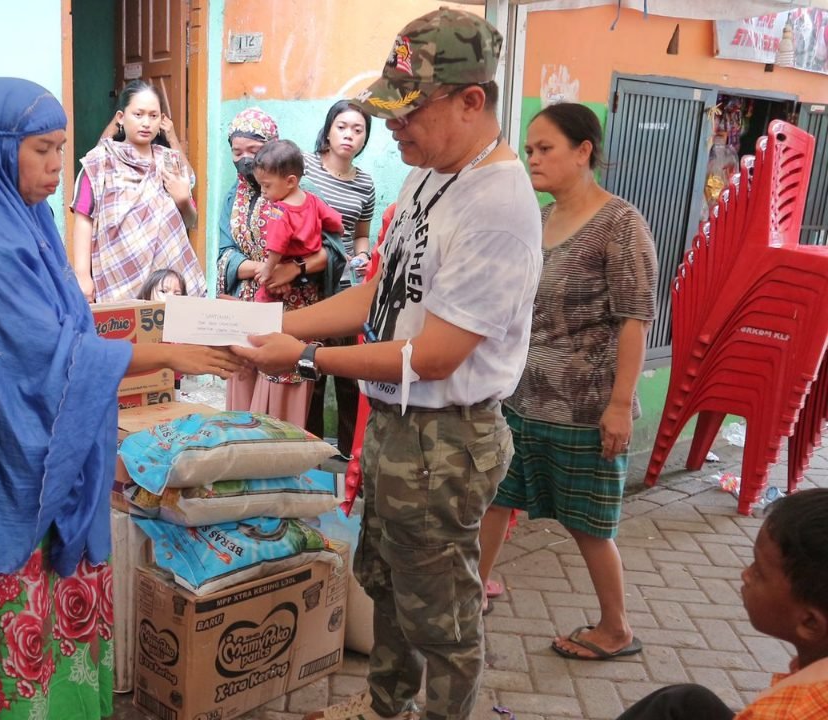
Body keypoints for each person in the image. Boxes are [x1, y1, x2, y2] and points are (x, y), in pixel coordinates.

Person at [233, 9, 542, 719]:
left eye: (411, 111)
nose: (394, 127)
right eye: (391, 110)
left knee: (444, 615)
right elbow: (379, 290)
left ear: (472, 101)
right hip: (402, 428)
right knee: (391, 585)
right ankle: (384, 708)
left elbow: (435, 355)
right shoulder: (432, 176)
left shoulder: (496, 205)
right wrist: (274, 323)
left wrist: (306, 356)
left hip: (447, 438)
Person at [0, 74, 239, 720]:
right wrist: (169, 355)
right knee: (21, 640)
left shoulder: (29, 221)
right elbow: (50, 356)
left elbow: (75, 327)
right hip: (9, 463)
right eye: (41, 149)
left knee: (67, 636)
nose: (55, 165)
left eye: (60, 147)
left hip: (51, 451)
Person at [477, 103, 657, 659]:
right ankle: (471, 590)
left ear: (584, 151)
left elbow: (636, 317)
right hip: (521, 400)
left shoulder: (619, 223)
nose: (533, 159)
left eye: (545, 148)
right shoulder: (537, 217)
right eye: (529, 149)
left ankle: (617, 629)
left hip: (585, 409)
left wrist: (620, 405)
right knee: (494, 499)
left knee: (588, 524)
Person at [614, 488, 828, 720]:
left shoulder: (785, 711)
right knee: (686, 702)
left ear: (810, 623)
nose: (746, 574)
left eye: (759, 572)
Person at [216, 107, 331, 427]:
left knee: (281, 406)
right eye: (236, 151)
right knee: (242, 397)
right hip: (247, 311)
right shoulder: (233, 196)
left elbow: (332, 253)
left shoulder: (304, 196)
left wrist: (292, 269)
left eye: (253, 151)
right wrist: (260, 270)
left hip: (291, 312)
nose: (244, 160)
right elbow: (225, 253)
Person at [72, 79, 205, 302]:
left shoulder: (169, 161)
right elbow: (83, 217)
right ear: (121, 118)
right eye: (138, 114)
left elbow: (192, 221)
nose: (146, 123)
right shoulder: (99, 162)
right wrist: (82, 275)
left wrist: (183, 200)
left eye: (153, 116)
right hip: (118, 273)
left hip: (168, 279)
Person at [303, 100, 376, 462]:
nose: (349, 135)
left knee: (348, 375)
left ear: (365, 137)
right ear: (329, 130)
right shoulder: (304, 167)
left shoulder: (365, 184)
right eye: (343, 126)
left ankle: (350, 458)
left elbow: (360, 235)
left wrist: (362, 255)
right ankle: (310, 454)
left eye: (358, 129)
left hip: (346, 287)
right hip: (307, 285)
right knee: (310, 372)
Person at [252, 138, 343, 304]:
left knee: (262, 302)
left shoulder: (280, 212)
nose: (262, 191)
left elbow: (276, 248)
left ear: (290, 182)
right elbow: (335, 222)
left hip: (284, 264)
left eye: (266, 186)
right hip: (310, 273)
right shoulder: (313, 200)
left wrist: (267, 270)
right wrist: (340, 230)